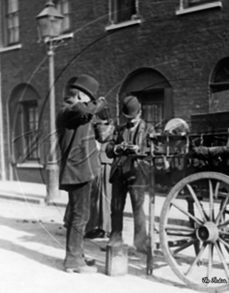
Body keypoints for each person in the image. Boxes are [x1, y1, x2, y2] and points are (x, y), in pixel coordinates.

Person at [56, 74, 107, 274]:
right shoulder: (68, 110)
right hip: (77, 172)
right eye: (87, 98)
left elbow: (92, 126)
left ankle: (78, 255)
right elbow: (83, 110)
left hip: (83, 171)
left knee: (81, 215)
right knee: (79, 216)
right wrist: (98, 104)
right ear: (79, 96)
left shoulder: (78, 114)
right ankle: (72, 260)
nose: (89, 102)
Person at [106, 95, 154, 255]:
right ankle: (115, 238)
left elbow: (154, 151)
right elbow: (108, 149)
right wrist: (118, 148)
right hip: (119, 172)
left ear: (140, 113)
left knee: (138, 209)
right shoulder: (119, 129)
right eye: (129, 119)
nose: (131, 122)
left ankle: (140, 243)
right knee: (116, 208)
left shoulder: (149, 129)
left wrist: (139, 151)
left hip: (138, 173)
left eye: (134, 118)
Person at [84, 101, 115, 240]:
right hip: (108, 163)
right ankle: (105, 227)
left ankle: (98, 226)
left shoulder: (96, 127)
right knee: (106, 196)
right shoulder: (113, 127)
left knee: (98, 197)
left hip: (100, 162)